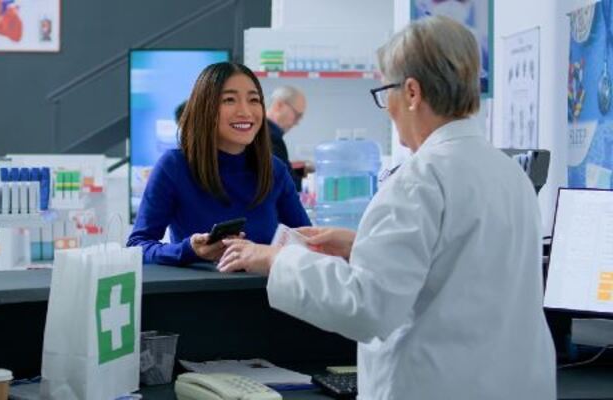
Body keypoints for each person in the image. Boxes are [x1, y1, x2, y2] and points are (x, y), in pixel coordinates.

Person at [218, 16, 555, 399]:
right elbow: (463, 266)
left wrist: (278, 259)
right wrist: (362, 243)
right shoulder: (509, 174)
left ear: (411, 92)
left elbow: (366, 306)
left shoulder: (419, 180)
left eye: (386, 92)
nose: (387, 108)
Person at [127, 62, 310, 266]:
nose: (246, 111)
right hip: (197, 294)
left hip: (267, 295)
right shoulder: (174, 166)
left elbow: (308, 241)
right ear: (205, 107)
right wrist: (188, 250)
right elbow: (138, 246)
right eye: (229, 100)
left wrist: (268, 254)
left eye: (253, 100)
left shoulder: (274, 169)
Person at [266, 86, 309, 191]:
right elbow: (287, 184)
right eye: (297, 115)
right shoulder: (270, 138)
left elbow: (282, 170)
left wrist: (302, 170)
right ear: (279, 105)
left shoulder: (266, 132)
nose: (297, 122)